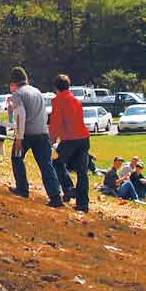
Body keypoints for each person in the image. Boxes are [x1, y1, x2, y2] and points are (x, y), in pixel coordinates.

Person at [7, 67, 62, 206]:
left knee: (16, 157)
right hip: (42, 133)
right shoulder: (37, 91)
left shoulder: (18, 94)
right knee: (46, 165)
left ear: (13, 83)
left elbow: (21, 115)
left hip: (26, 134)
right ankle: (56, 196)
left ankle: (22, 189)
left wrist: (19, 138)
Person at [49, 74, 91, 212]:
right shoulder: (75, 100)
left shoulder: (58, 101)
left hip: (69, 139)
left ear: (56, 87)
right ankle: (83, 204)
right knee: (82, 172)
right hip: (83, 138)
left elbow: (56, 122)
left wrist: (52, 138)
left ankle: (68, 188)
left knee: (57, 163)